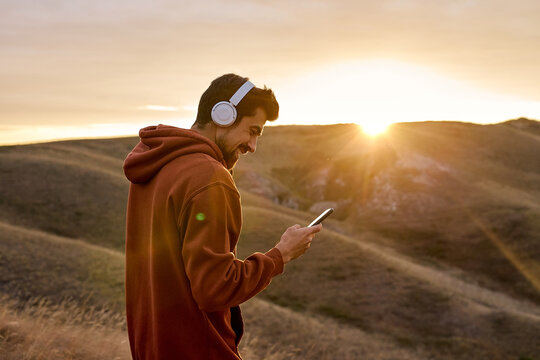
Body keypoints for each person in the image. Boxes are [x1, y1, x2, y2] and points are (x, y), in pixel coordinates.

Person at [123, 73, 322, 360]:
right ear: (223, 115)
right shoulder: (209, 177)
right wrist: (280, 255)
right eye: (252, 131)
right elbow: (215, 289)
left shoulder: (156, 165)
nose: (252, 146)